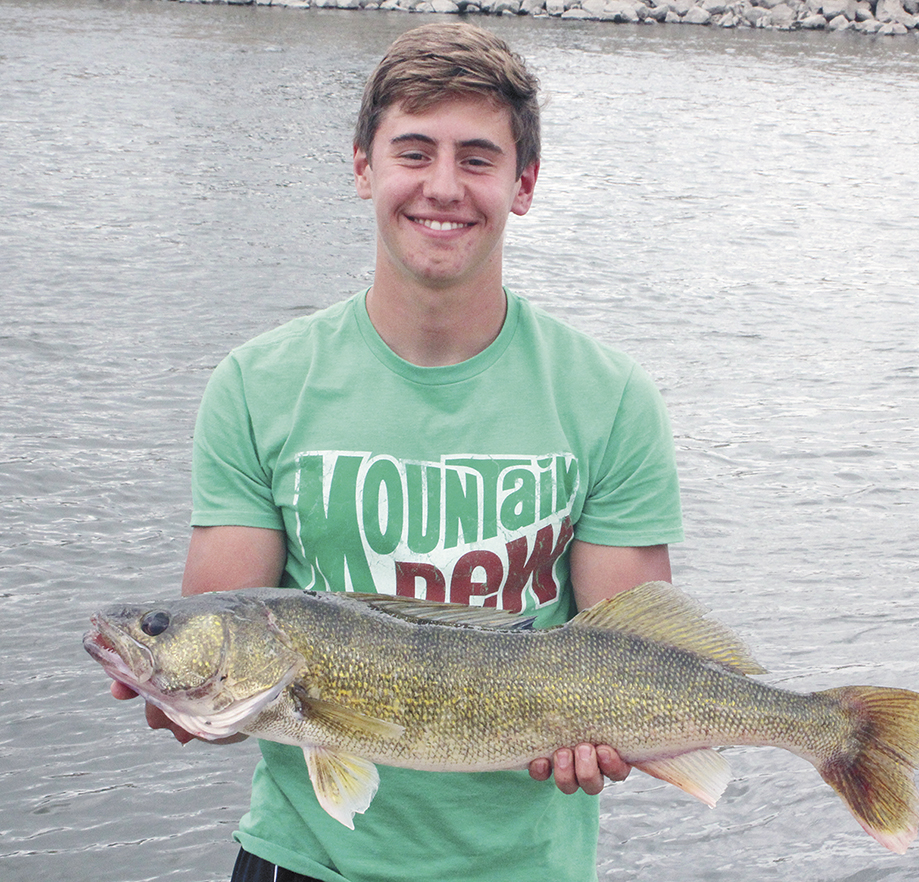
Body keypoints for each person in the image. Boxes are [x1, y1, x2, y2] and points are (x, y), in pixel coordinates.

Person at [110, 22, 683, 882]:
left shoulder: (610, 398)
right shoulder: (258, 385)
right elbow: (221, 649)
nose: (443, 187)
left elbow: (642, 652)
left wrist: (620, 741)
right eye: (413, 152)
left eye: (478, 159)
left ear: (523, 185)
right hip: (301, 860)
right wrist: (176, 691)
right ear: (362, 167)